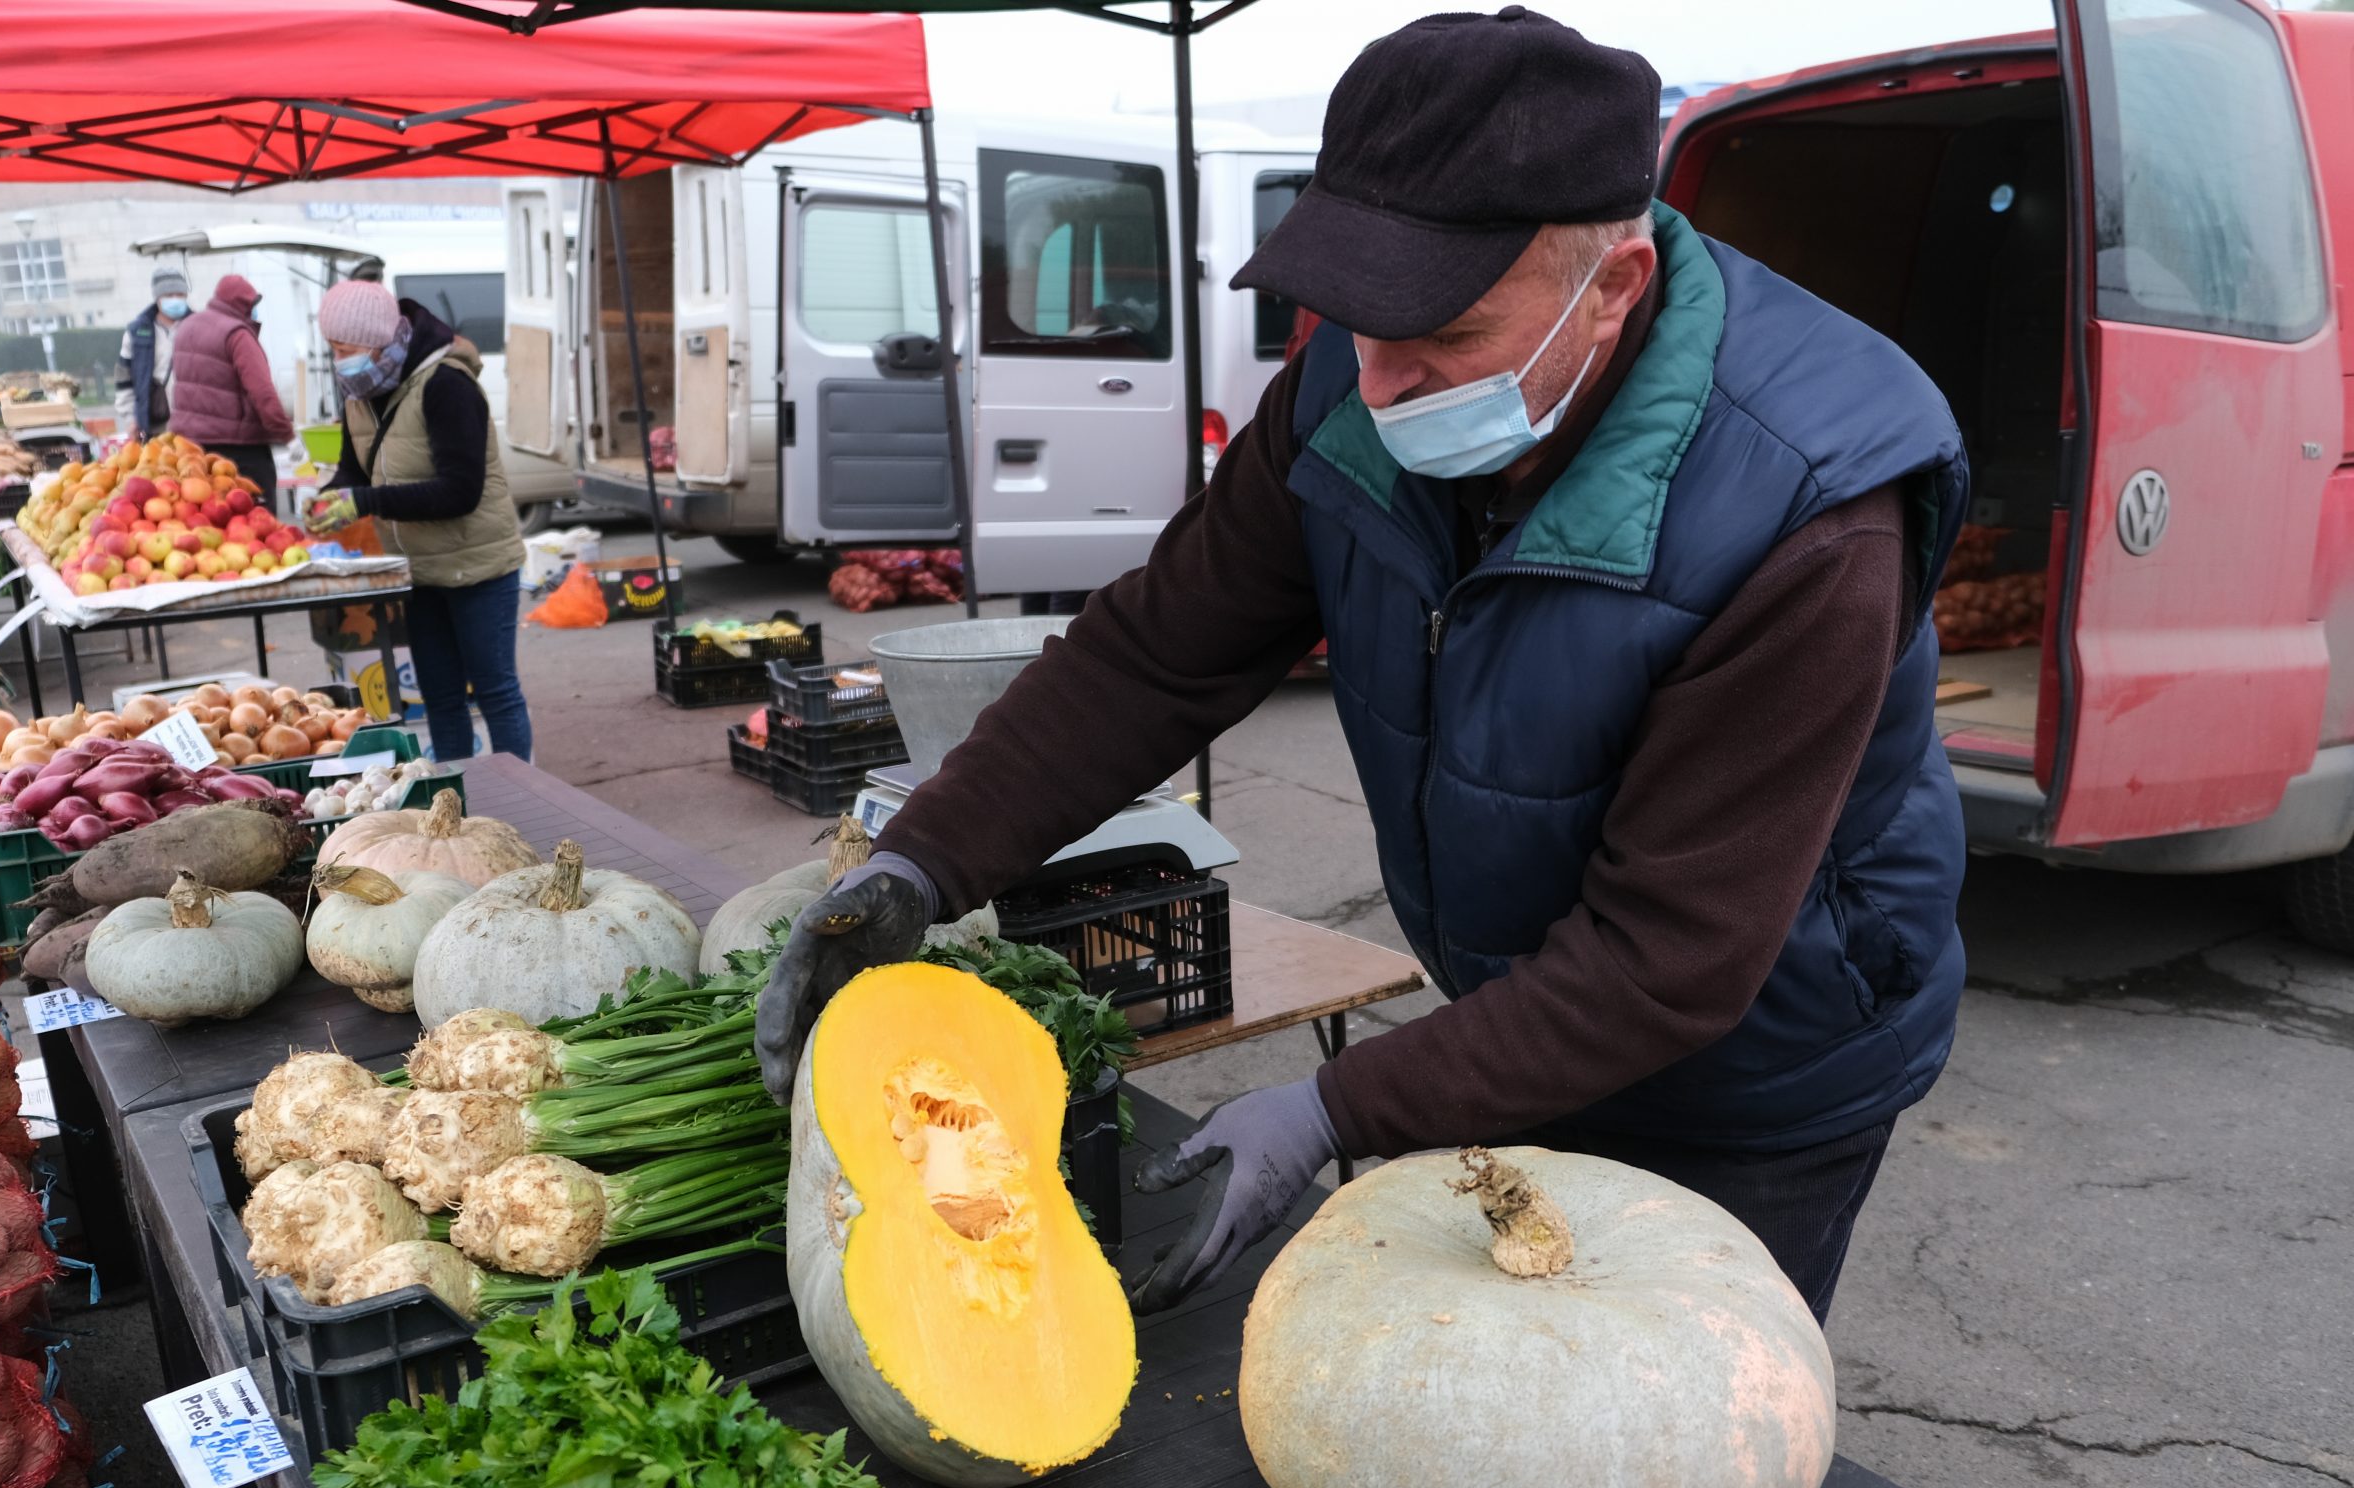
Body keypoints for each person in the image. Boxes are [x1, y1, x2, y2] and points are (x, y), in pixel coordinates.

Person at [755, 9, 1969, 1329]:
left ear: (1611, 285)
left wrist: (1332, 1105)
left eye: (1441, 332)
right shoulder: (1357, 377)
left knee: (1650, 1436)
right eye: (1353, 318)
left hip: (1759, 1066)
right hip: (1521, 1011)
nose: (1380, 383)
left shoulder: (1810, 510)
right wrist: (925, 858)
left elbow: (1663, 963)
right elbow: (1164, 647)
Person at [302, 279, 530, 763]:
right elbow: (353, 467)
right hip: (417, 572)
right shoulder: (361, 390)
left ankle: (522, 797)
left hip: (479, 568)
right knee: (440, 695)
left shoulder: (447, 385)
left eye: (345, 348)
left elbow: (461, 491)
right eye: (334, 349)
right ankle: (454, 801)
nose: (339, 359)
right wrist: (331, 497)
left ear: (377, 341)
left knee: (494, 691)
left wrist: (364, 501)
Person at [163, 273, 293, 513]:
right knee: (257, 521)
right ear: (244, 304)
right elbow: (263, 393)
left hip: (191, 450)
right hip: (240, 451)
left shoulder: (187, 326)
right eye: (252, 305)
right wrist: (287, 435)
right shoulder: (237, 333)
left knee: (209, 520)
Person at [115, 267, 191, 439]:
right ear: (157, 297)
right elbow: (123, 378)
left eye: (179, 294)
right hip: (156, 425)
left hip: (193, 425)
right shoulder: (136, 332)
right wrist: (130, 417)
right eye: (169, 295)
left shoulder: (199, 326)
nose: (175, 299)